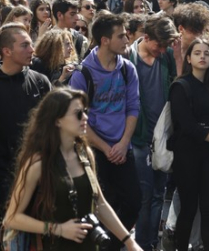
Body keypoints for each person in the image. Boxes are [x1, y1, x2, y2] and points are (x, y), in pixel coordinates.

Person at [3, 89, 142, 251]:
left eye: (85, 112)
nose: (85, 118)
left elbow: (100, 204)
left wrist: (130, 242)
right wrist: (58, 229)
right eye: (78, 114)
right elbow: (11, 218)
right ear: (57, 121)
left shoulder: (85, 154)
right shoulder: (38, 164)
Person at [69, 13, 141, 250]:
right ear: (105, 40)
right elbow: (77, 119)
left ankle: (112, 245)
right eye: (120, 36)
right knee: (102, 204)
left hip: (122, 147)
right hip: (95, 150)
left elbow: (133, 107)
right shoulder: (83, 73)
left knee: (133, 202)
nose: (126, 39)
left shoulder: (127, 68)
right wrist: (106, 148)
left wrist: (123, 143)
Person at [0, 23, 52, 220]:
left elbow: (52, 125)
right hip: (2, 173)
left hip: (39, 169)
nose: (32, 50)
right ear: (7, 51)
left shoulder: (41, 81)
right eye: (25, 45)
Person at [169, 38, 209, 251]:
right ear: (189, 58)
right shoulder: (180, 86)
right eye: (197, 53)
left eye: (207, 53)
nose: (203, 57)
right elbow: (188, 126)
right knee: (188, 209)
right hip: (186, 156)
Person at [128, 15, 181, 250]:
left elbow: (178, 85)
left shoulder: (167, 56)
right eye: (159, 45)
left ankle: (151, 243)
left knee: (159, 193)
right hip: (139, 137)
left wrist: (177, 55)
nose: (161, 50)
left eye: (165, 46)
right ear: (146, 37)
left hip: (162, 136)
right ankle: (142, 243)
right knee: (144, 195)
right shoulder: (128, 58)